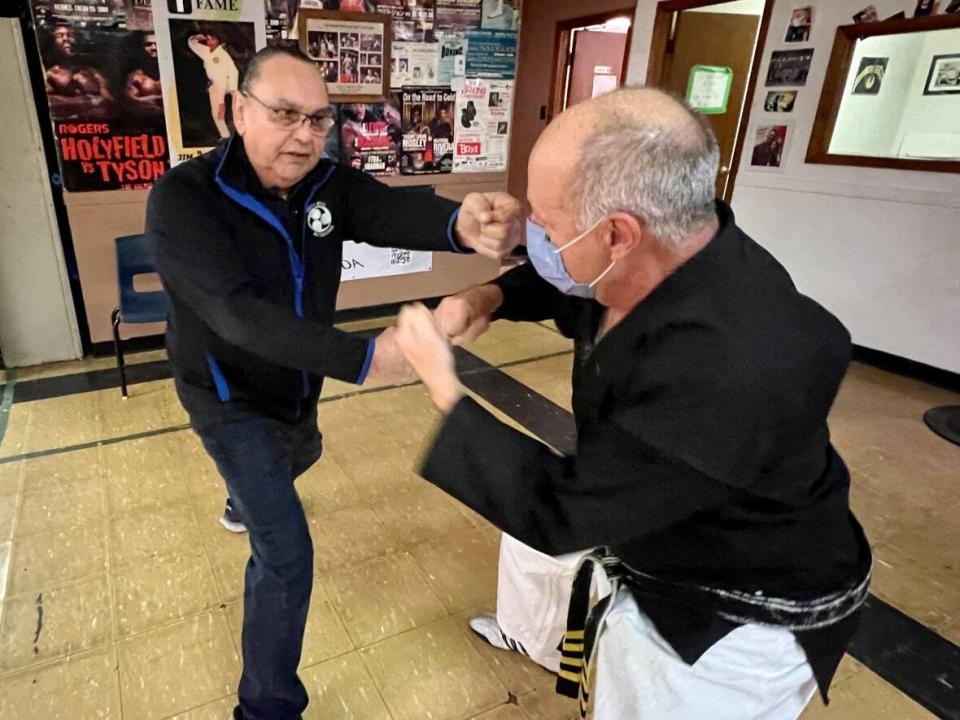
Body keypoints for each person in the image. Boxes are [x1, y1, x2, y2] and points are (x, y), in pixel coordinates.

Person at [393, 87, 872, 719]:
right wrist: (491, 297)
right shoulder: (676, 245)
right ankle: (530, 634)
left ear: (617, 233)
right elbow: (575, 281)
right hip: (662, 502)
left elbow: (561, 511)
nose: (532, 234)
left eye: (546, 220)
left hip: (737, 608)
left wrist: (446, 389)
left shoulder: (730, 366)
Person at [145, 45, 521, 720]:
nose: (305, 134)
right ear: (237, 110)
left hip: (296, 386)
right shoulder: (185, 200)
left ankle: (244, 495)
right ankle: (266, 708)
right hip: (226, 394)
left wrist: (459, 222)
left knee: (303, 455)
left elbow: (384, 211)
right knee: (285, 555)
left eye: (319, 120)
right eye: (285, 114)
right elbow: (235, 313)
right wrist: (367, 360)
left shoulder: (325, 183)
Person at [187, 31, 240, 139]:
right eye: (208, 39)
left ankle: (233, 135)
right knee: (215, 112)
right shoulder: (206, 51)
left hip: (224, 84)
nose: (208, 40)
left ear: (218, 41)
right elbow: (192, 44)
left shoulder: (223, 56)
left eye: (212, 39)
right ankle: (225, 135)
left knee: (222, 109)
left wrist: (223, 99)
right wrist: (196, 37)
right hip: (213, 84)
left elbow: (230, 74)